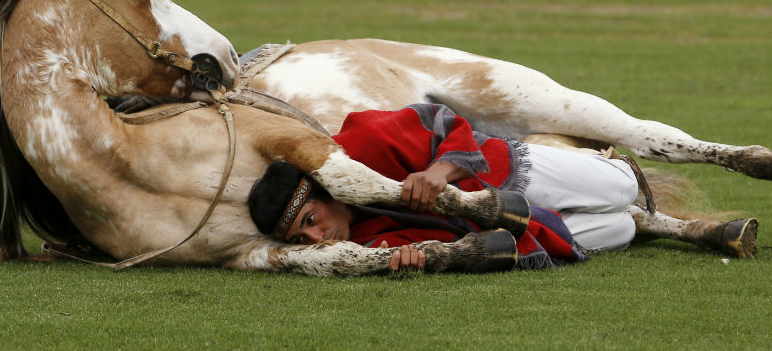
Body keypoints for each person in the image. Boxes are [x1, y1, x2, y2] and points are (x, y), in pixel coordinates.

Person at [249, 103, 640, 271]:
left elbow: (440, 119)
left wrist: (440, 171)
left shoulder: (362, 142)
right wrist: (411, 259)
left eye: (310, 219)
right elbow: (438, 248)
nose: (318, 239)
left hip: (501, 171)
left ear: (323, 189)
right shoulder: (360, 245)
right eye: (301, 239)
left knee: (623, 188)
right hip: (498, 229)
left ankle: (564, 150)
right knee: (623, 227)